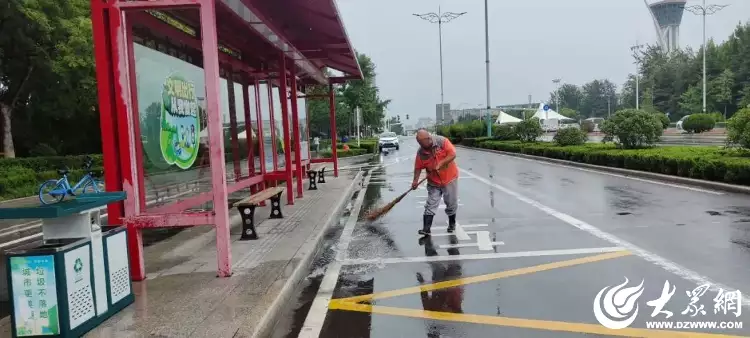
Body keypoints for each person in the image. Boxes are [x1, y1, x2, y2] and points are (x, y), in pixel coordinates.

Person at [411, 129, 458, 236]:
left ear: (428, 138)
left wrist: (441, 163)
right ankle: (426, 228)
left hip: (449, 178)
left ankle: (452, 223)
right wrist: (415, 181)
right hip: (433, 182)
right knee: (430, 204)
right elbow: (418, 168)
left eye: (423, 143)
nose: (421, 146)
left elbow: (452, 154)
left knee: (451, 203)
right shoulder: (421, 152)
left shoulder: (442, 141)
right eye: (419, 143)